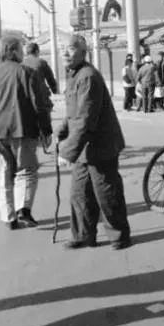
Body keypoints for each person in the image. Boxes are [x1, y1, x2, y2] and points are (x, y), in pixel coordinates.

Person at [57, 35, 131, 249]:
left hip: (101, 146)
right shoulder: (75, 75)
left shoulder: (87, 76)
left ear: (83, 52)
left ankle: (119, 236)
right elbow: (74, 113)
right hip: (84, 149)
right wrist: (61, 131)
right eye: (62, 48)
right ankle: (82, 235)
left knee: (107, 193)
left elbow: (85, 120)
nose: (65, 53)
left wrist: (66, 152)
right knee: (79, 194)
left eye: (70, 48)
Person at [0, 35, 52, 229]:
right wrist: (46, 129)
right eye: (20, 49)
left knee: (3, 175)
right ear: (12, 51)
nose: (23, 52)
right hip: (23, 129)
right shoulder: (27, 73)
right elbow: (40, 105)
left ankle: (9, 217)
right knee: (27, 171)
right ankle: (24, 209)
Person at [23, 41, 58, 117]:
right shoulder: (41, 62)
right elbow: (50, 79)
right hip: (42, 99)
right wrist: (55, 90)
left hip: (26, 100)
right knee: (45, 125)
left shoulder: (21, 64)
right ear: (36, 51)